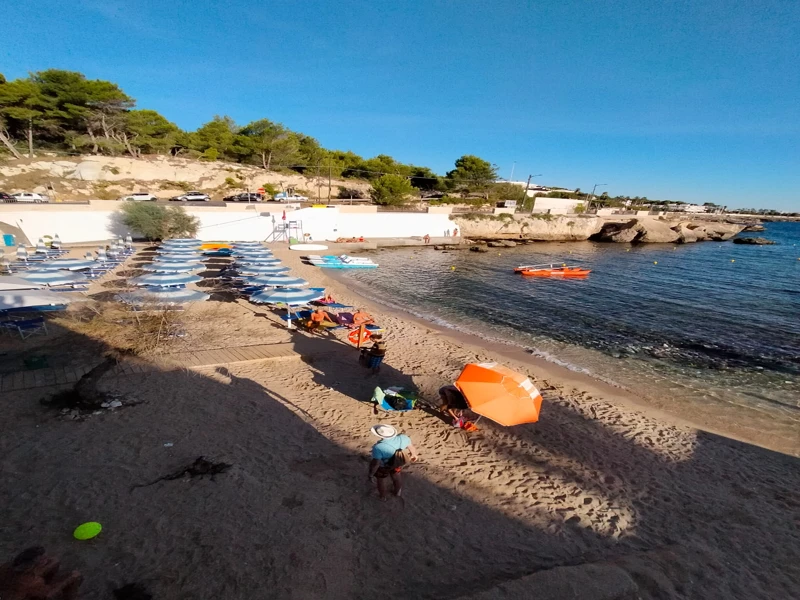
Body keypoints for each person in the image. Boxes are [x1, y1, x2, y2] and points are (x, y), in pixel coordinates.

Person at [0, 546, 83, 600]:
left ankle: (46, 582)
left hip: (8, 591)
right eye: (44, 560)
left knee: (55, 562)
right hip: (22, 594)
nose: (47, 559)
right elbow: (48, 595)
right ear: (33, 567)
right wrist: (68, 580)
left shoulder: (7, 566)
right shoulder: (32, 581)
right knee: (75, 576)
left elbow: (53, 561)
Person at [367, 424, 418, 500]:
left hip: (384, 466)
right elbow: (411, 447)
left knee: (380, 480)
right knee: (397, 476)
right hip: (397, 462)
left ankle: (383, 496)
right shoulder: (404, 438)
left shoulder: (378, 447)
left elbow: (376, 463)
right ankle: (397, 492)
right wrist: (414, 455)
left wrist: (371, 474)